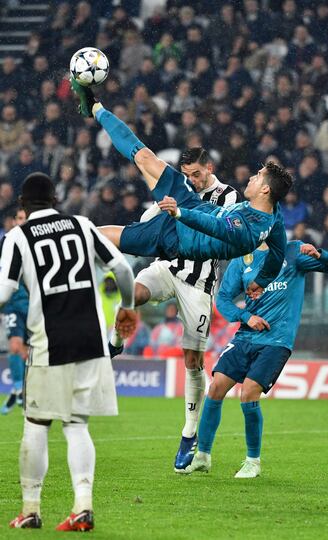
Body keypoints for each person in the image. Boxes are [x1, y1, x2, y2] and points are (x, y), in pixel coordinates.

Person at [0, 172, 136, 531]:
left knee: (36, 424)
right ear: (56, 198)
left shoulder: (18, 236)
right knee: (77, 425)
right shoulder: (82, 224)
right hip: (91, 341)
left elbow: (3, 292)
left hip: (49, 342)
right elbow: (121, 267)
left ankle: (31, 509)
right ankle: (83, 506)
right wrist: (129, 305)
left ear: (22, 206)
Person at [71, 80, 293, 299]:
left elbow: (216, 227)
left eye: (258, 178)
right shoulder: (275, 216)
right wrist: (261, 281)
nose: (252, 177)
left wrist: (179, 213)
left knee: (116, 237)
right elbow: (278, 252)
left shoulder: (246, 231)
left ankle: (67, 241)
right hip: (191, 203)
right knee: (145, 157)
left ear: (265, 190)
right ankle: (95, 108)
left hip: (176, 238)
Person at [182, 241, 328, 478]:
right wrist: (246, 317)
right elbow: (223, 300)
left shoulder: (293, 252)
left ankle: (253, 461)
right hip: (246, 336)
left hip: (276, 340)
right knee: (216, 387)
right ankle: (203, 456)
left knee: (248, 392)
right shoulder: (243, 259)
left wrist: (320, 254)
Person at [134, 147, 240, 472]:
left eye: (197, 174)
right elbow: (146, 219)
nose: (192, 180)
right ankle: (115, 340)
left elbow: (215, 227)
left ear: (209, 167)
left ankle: (189, 433)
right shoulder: (179, 187)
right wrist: (152, 217)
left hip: (200, 285)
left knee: (193, 361)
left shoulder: (228, 196)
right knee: (134, 291)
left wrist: (179, 211)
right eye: (188, 174)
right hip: (168, 267)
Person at [0, 209, 28, 415]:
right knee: (15, 345)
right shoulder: (7, 241)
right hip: (12, 303)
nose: (22, 222)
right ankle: (18, 388)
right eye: (19, 218)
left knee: (31, 350)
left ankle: (23, 389)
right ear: (13, 221)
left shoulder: (37, 241)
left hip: (33, 303)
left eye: (25, 218)